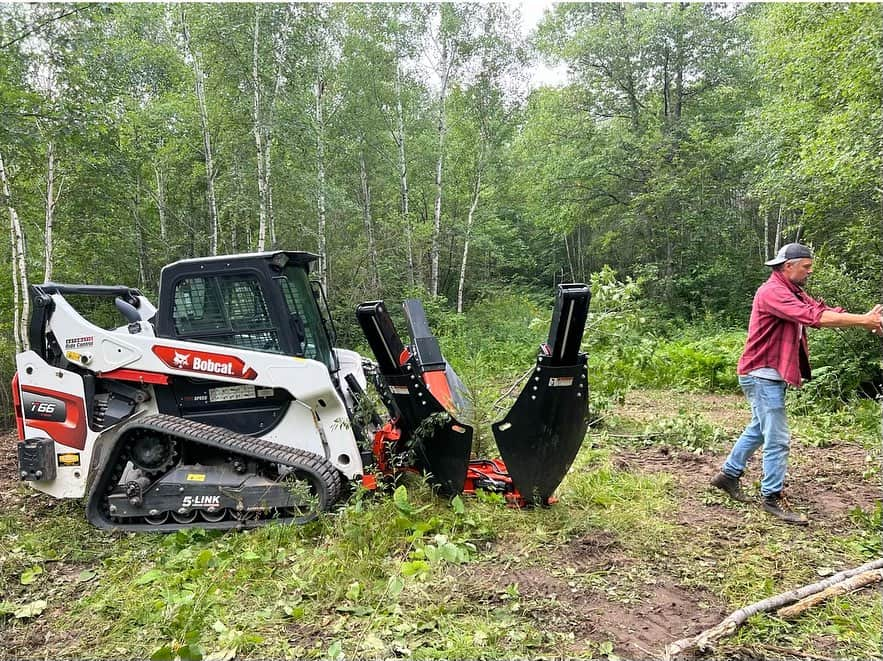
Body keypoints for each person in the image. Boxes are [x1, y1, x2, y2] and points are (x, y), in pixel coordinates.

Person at [710, 243, 883, 525]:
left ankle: (727, 476)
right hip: (761, 373)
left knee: (759, 429)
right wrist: (864, 320)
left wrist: (865, 320)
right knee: (777, 438)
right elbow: (814, 318)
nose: (810, 271)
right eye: (806, 267)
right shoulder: (773, 292)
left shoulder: (794, 291)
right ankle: (772, 497)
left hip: (768, 373)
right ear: (787, 266)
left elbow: (822, 309)